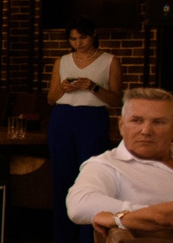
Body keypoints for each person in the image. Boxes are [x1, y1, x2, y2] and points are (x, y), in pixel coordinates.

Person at [48, 19, 121, 243]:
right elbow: (51, 98)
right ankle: (61, 238)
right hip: (62, 117)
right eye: (73, 39)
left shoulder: (109, 60)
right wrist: (63, 88)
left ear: (93, 36)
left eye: (83, 37)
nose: (78, 43)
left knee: (91, 177)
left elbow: (116, 100)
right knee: (62, 176)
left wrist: (92, 86)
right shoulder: (62, 61)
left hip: (92, 118)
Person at [67, 85, 173, 233]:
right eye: (137, 120)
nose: (146, 131)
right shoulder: (106, 165)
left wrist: (123, 218)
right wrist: (151, 216)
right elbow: (79, 205)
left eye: (158, 122)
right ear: (121, 125)